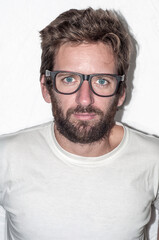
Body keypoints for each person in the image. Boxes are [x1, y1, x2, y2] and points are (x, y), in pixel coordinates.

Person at [0, 7, 159, 240]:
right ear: (46, 87)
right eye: (69, 79)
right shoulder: (6, 157)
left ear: (121, 92)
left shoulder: (153, 160)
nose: (85, 99)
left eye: (102, 81)